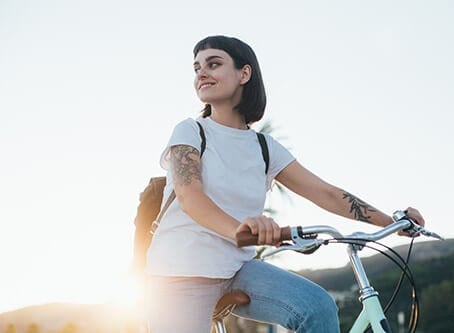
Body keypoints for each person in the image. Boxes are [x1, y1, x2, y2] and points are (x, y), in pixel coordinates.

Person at [145, 35, 425, 333]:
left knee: (316, 308)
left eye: (213, 64)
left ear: (244, 73)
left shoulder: (265, 147)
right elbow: (190, 196)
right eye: (197, 67)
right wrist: (239, 231)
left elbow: (326, 193)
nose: (201, 73)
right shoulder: (190, 131)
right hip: (178, 273)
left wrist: (395, 221)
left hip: (237, 270)